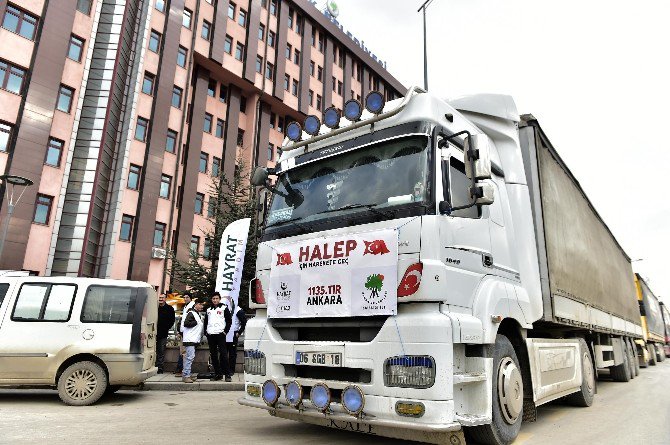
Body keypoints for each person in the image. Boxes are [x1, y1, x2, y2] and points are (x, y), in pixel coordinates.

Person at [204, 292, 231, 381]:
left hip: (220, 334)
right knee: (214, 355)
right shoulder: (209, 310)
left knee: (223, 354)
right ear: (211, 300)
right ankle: (218, 374)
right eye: (213, 299)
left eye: (216, 298)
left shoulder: (224, 308)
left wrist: (225, 332)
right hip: (211, 335)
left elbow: (229, 321)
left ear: (219, 299)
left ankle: (227, 374)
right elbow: (206, 322)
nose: (215, 300)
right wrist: (206, 332)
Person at [181, 298, 204, 383]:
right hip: (190, 339)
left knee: (190, 357)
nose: (202, 306)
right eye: (200, 304)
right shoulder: (191, 313)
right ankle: (186, 375)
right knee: (189, 357)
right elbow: (186, 323)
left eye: (202, 304)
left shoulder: (198, 314)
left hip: (193, 339)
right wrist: (195, 323)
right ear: (196, 304)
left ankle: (187, 374)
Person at [224, 296, 247, 382]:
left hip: (233, 334)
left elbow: (244, 322)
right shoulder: (226, 309)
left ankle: (231, 370)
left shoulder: (238, 310)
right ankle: (225, 370)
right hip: (225, 333)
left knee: (232, 353)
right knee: (224, 352)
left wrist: (239, 332)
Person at [156, 292, 175, 374]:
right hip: (152, 332)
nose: (160, 299)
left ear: (165, 299)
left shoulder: (170, 309)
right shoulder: (155, 307)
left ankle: (160, 367)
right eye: (159, 298)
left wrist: (166, 327)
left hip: (163, 333)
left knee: (161, 351)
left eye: (162, 298)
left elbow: (172, 320)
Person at [174, 293, 192, 376]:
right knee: (183, 352)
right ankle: (181, 369)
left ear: (190, 298)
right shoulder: (185, 307)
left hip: (187, 333)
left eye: (187, 297)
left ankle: (182, 370)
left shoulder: (191, 307)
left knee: (185, 352)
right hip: (183, 332)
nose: (185, 299)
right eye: (184, 297)